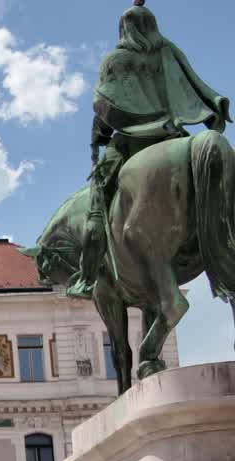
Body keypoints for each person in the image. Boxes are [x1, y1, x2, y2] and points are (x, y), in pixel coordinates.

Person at [70, 0, 230, 297]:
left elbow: (108, 104)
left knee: (98, 199)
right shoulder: (169, 53)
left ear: (125, 28)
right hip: (173, 136)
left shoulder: (116, 59)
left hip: (133, 142)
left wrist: (99, 134)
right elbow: (190, 86)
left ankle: (87, 276)